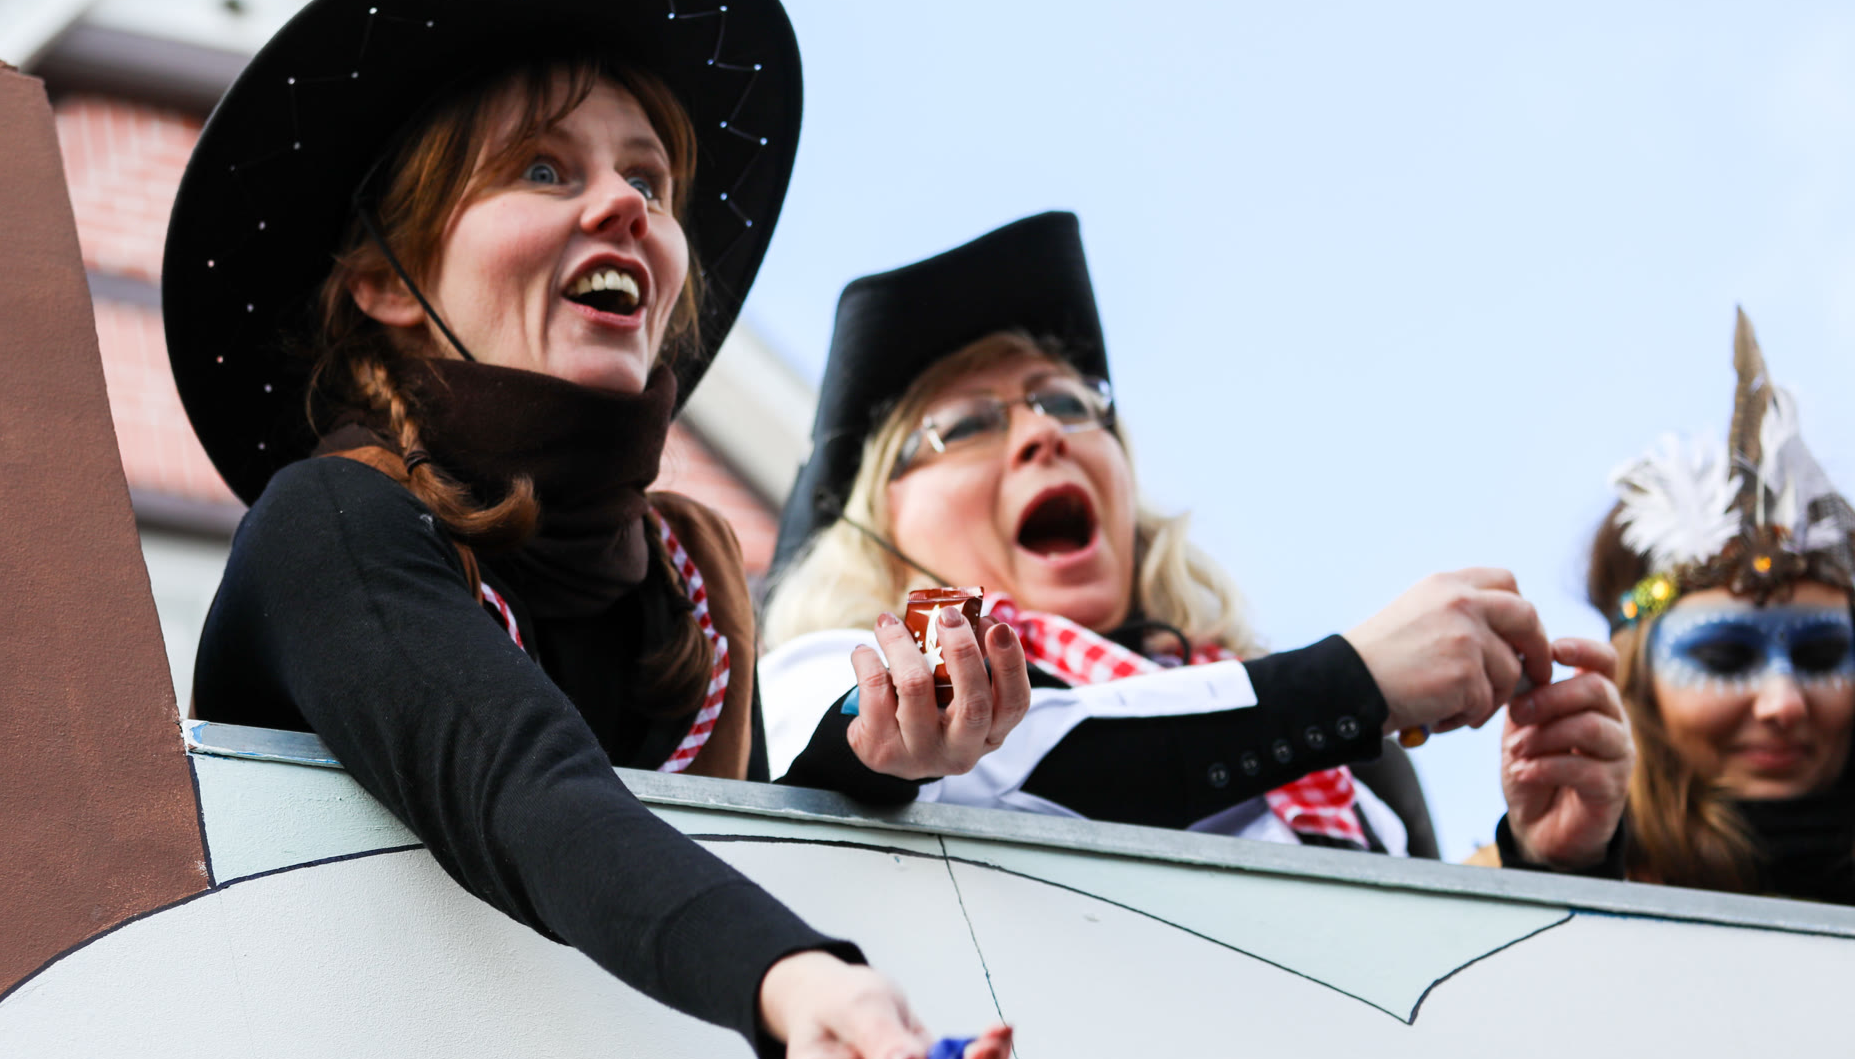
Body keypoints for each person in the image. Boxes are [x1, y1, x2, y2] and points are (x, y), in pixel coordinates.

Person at [164, 0, 1009, 1059]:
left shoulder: (693, 575)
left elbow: (712, 845)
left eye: (649, 183)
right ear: (384, 281)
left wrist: (873, 756)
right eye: (543, 170)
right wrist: (800, 984)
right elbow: (530, 792)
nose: (624, 205)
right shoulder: (328, 522)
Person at [760, 212, 1607, 855]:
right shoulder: (825, 675)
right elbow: (1050, 762)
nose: (1042, 433)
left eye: (1067, 402)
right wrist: (1352, 682)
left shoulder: (1347, 766)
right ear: (873, 522)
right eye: (969, 424)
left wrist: (1546, 859)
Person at [1489, 309, 1855, 903]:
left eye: (1822, 655)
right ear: (1638, 681)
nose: (1784, 704)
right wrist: (1560, 874)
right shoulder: (1489, 882)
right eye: (1724, 657)